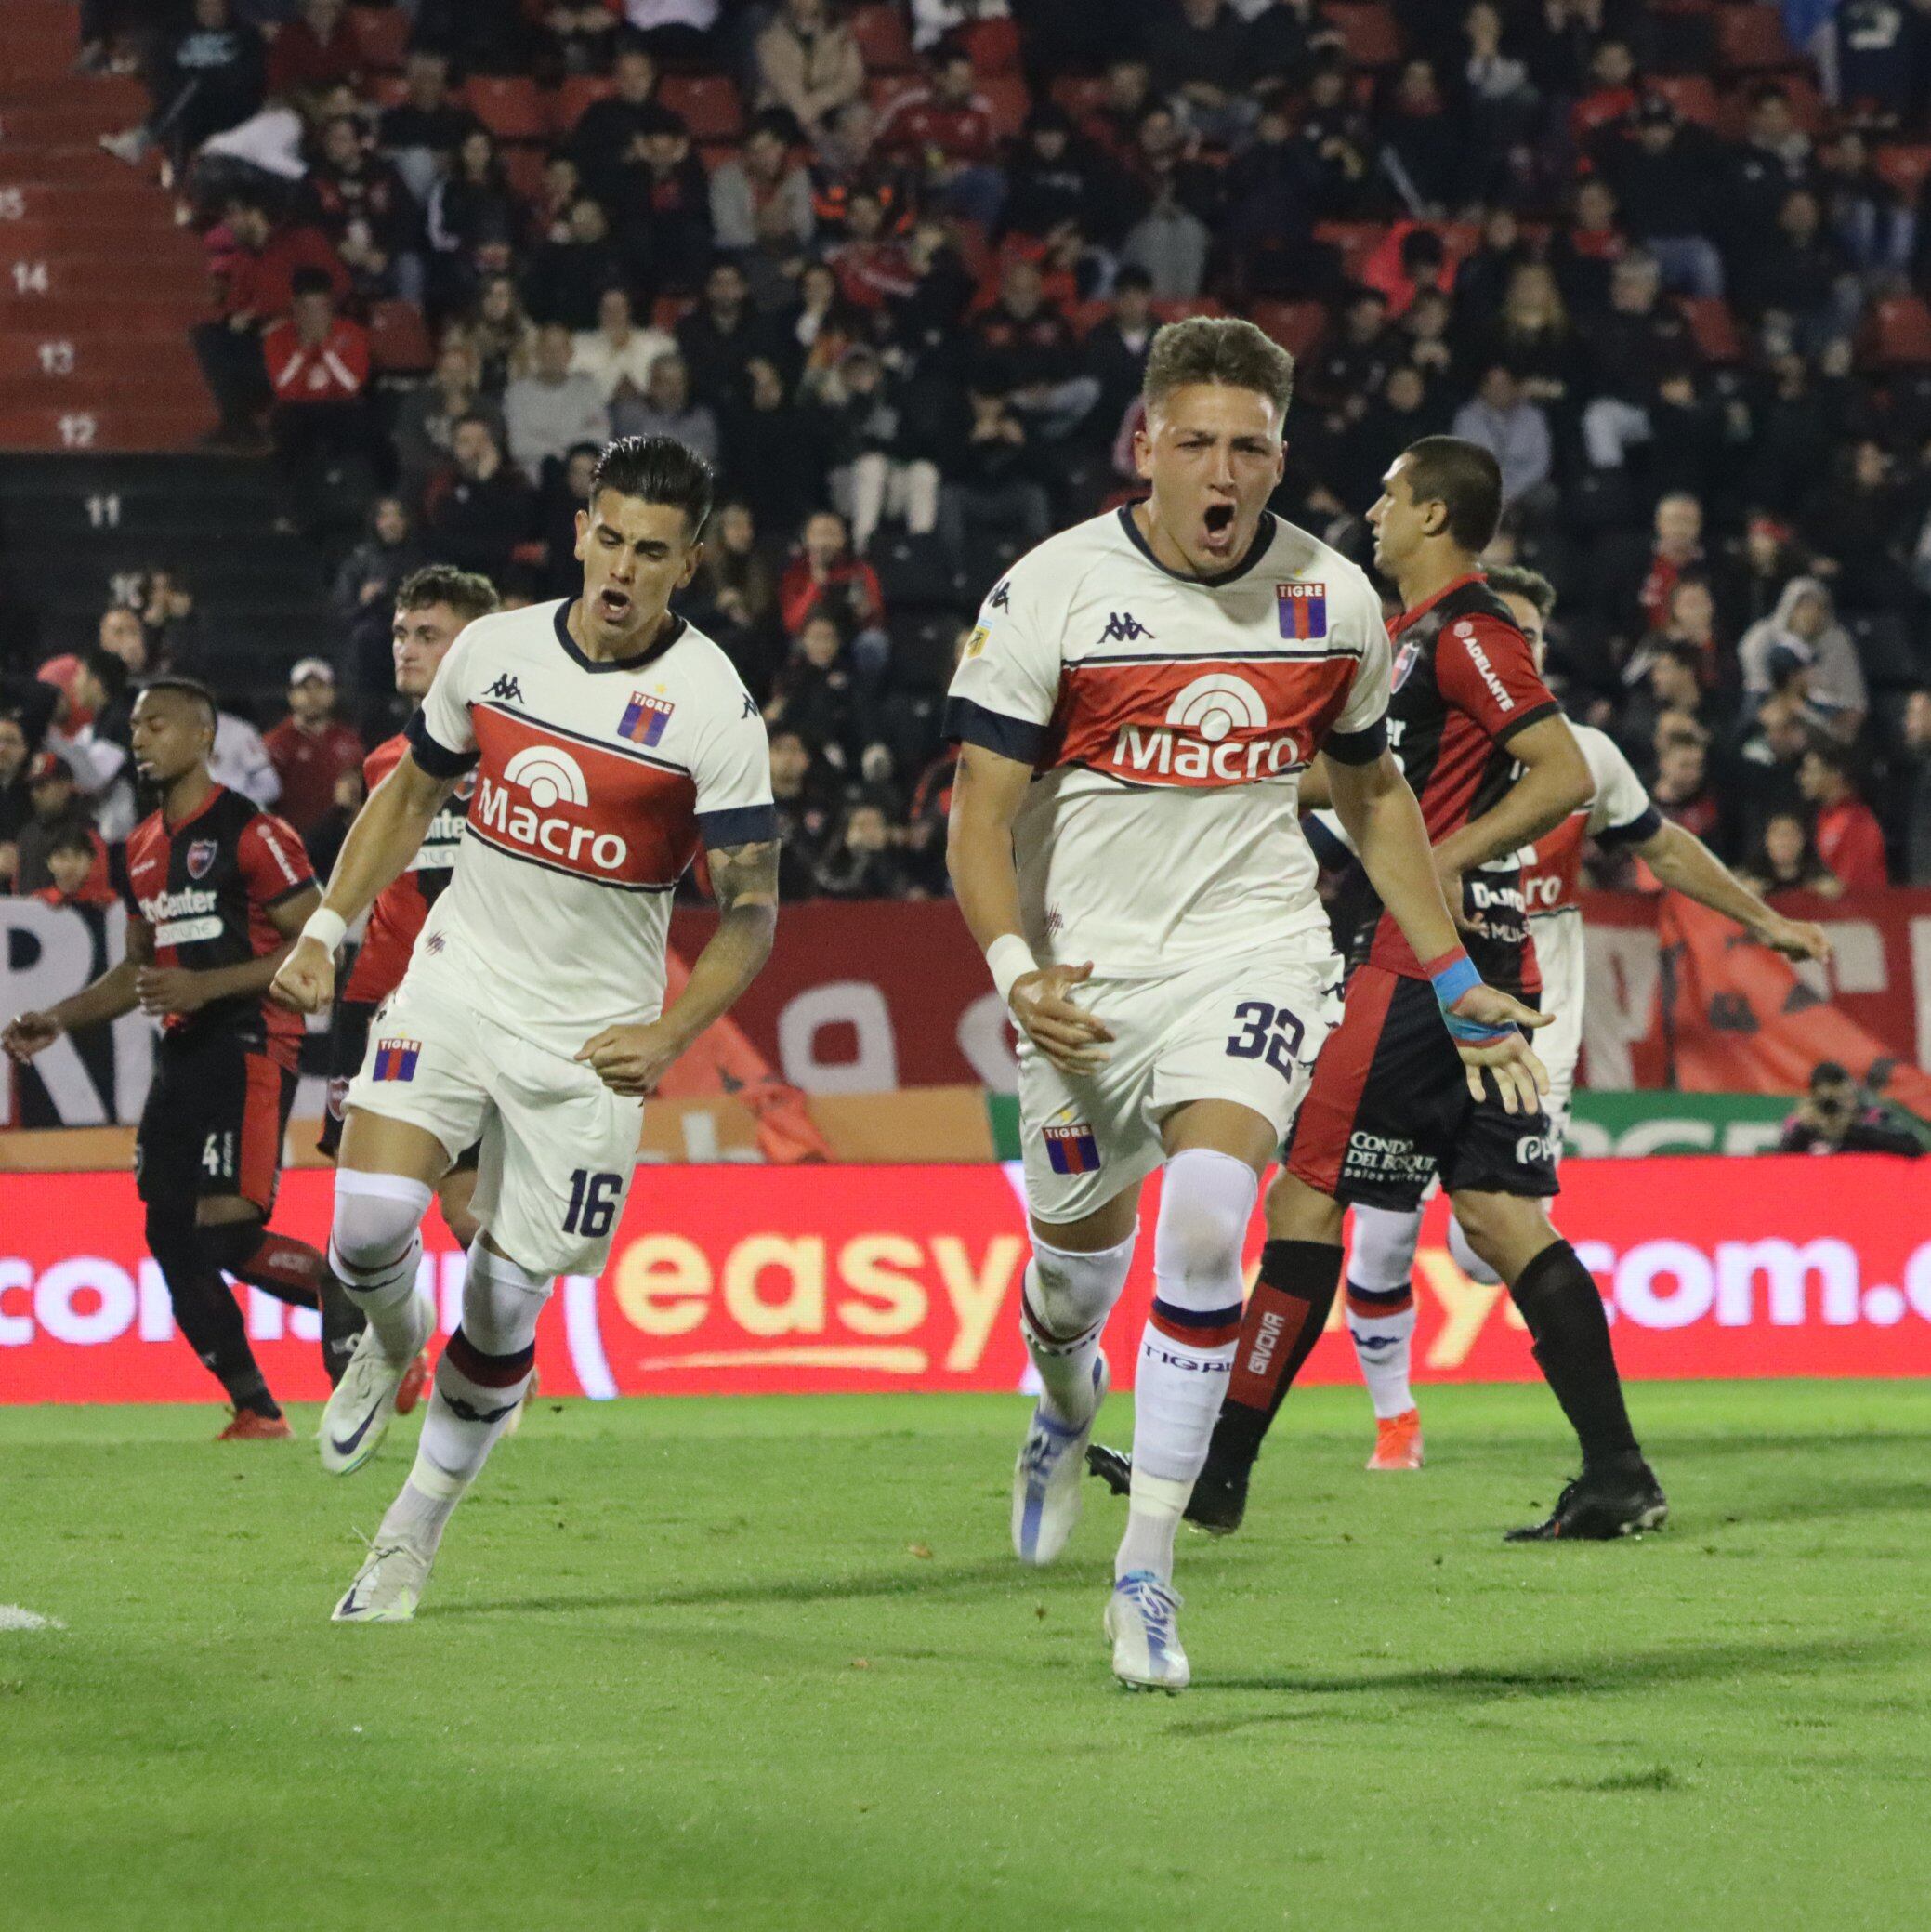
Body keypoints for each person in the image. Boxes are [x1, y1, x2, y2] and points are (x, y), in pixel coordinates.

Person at [944, 326, 1547, 1691]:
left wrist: (1455, 983)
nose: (1224, 472)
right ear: (1143, 445)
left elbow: (1372, 794)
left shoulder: (1330, 598)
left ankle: (1145, 1568)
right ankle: (1058, 1398)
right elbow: (979, 815)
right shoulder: (1049, 590)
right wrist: (1010, 967)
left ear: (1282, 453)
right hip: (1084, 976)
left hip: (1254, 949)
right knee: (1072, 1270)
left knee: (1212, 1216)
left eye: (1251, 447)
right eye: (1198, 442)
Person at [1097, 436, 1664, 1547]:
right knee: (1502, 1221)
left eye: (1391, 495)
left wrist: (1440, 858)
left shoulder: (1470, 632)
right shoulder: (1405, 641)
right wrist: (1201, 756)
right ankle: (1616, 1473)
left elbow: (1558, 771)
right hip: (1466, 969)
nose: (1371, 509)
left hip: (1419, 967)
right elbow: (1356, 777)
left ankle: (1218, 1473)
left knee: (1304, 1200)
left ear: (1436, 516)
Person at [269, 437, 778, 1623]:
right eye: (608, 539)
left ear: (687, 564)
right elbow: (408, 797)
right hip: (458, 981)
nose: (622, 568)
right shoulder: (494, 654)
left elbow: (751, 913)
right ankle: (388, 1341)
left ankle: (409, 1537)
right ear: (580, 533)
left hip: (591, 1037)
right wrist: (326, 930)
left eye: (651, 552)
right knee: (365, 1231)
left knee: (502, 1309)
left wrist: (668, 1036)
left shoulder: (712, 708)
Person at [1326, 565, 1831, 1469]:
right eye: (1491, 634)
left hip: (1532, 1024)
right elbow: (1330, 826)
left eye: (1523, 639)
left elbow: (1662, 849)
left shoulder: (1583, 758)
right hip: (1415, 993)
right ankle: (1392, 1416)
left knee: (1481, 1253)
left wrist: (1763, 921)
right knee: (1380, 1223)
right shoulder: (1415, 749)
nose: (1503, 653)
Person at [4, 680, 345, 1437]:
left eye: (157, 724)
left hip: (252, 1039)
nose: (140, 738)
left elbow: (313, 941)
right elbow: (137, 972)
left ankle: (353, 1299)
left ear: (203, 735)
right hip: (184, 1052)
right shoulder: (140, 849)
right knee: (168, 1233)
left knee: (226, 1228)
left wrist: (204, 982)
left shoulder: (254, 832)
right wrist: (57, 1017)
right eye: (133, 726)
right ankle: (256, 1408)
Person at [315, 567, 500, 1387]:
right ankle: (376, 1362)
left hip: (478, 1005)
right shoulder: (390, 759)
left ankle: (493, 1358)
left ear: (473, 644)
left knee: (469, 1209)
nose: (407, 647)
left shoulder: (520, 756)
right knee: (358, 1210)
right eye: (401, 633)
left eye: (428, 634)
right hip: (377, 999)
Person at [264, 659, 364, 842]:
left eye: (320, 687)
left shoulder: (349, 741)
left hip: (340, 844)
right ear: (291, 695)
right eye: (304, 688)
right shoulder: (275, 743)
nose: (312, 695)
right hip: (292, 843)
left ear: (332, 693)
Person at [1775, 1061, 1924, 1158]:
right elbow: (1781, 1164)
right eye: (1830, 1100)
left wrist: (1850, 1128)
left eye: (1842, 1096)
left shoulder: (1872, 1116)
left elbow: (1913, 1147)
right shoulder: (1802, 1123)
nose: (1836, 1105)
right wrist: (1806, 1128)